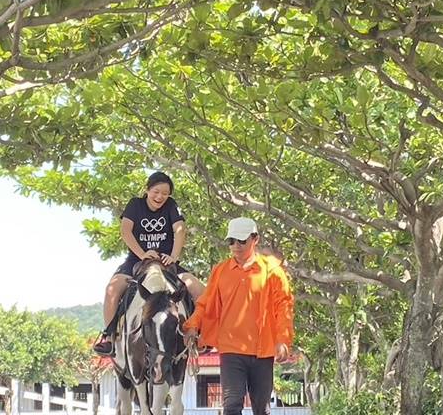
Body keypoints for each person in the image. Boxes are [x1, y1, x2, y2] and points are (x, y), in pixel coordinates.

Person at [183, 217, 294, 415]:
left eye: (241, 240)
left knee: (262, 409)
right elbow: (205, 303)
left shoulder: (272, 271)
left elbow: (283, 306)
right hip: (231, 349)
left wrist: (282, 340)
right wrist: (192, 326)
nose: (236, 246)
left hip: (263, 351)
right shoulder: (220, 271)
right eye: (231, 241)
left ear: (255, 239)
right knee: (232, 405)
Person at [92, 171, 205, 356]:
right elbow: (126, 231)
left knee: (200, 290)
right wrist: (143, 254)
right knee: (112, 290)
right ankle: (110, 337)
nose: (160, 197)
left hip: (166, 262)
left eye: (165, 193)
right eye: (156, 192)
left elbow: (180, 229)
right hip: (137, 261)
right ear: (147, 190)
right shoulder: (135, 205)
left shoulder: (171, 205)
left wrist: (174, 256)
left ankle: (200, 334)